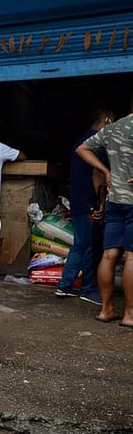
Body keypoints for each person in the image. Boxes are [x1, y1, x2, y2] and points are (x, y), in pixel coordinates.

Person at [76, 101, 133, 328]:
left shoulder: (113, 128)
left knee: (109, 255)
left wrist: (105, 171)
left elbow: (82, 148)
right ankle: (130, 314)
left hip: (114, 201)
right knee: (131, 257)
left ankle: (106, 309)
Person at [56, 108, 112, 305]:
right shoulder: (97, 143)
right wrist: (101, 203)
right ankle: (88, 288)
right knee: (90, 247)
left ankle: (64, 285)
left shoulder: (79, 142)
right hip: (90, 203)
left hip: (78, 202)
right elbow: (98, 175)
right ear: (107, 120)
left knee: (80, 245)